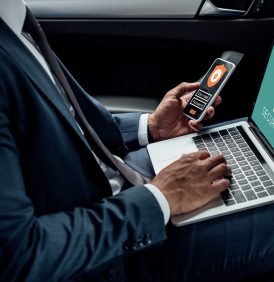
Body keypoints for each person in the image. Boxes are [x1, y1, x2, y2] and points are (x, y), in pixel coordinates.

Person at [0, 1, 274, 281]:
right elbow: (20, 257)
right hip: (109, 247)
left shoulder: (12, 15)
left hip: (118, 175)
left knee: (250, 143)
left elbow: (69, 121)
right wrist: (161, 198)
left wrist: (152, 127)